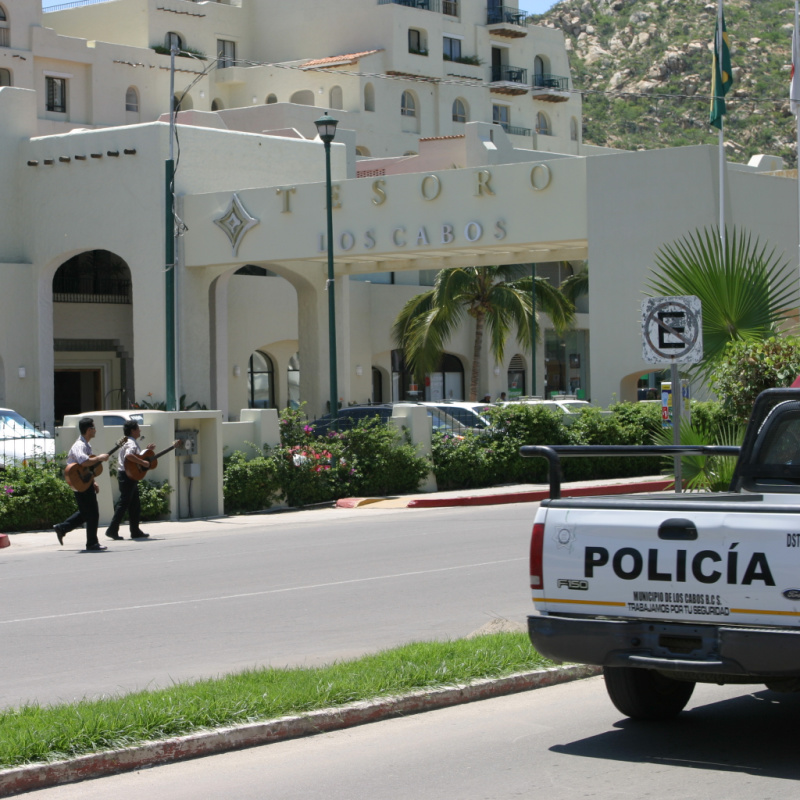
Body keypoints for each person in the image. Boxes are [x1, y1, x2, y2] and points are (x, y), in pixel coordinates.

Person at [54, 417, 110, 552]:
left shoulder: (86, 444)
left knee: (86, 512)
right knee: (92, 513)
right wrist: (100, 458)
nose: (95, 430)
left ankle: (62, 528)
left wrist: (93, 481)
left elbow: (87, 469)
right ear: (89, 430)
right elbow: (84, 461)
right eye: (94, 428)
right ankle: (91, 543)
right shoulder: (80, 445)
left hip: (85, 481)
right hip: (78, 481)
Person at [105, 420, 153, 541]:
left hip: (129, 475)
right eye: (138, 428)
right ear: (133, 431)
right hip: (127, 476)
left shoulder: (130, 442)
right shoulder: (131, 443)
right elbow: (129, 456)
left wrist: (145, 451)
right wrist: (142, 462)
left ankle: (135, 531)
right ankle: (112, 529)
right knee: (124, 503)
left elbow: (134, 456)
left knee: (135, 504)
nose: (140, 430)